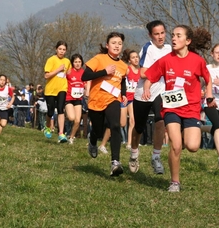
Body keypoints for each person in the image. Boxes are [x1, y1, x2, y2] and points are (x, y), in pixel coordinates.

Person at [142, 25, 214, 192]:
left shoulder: (197, 61)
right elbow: (149, 77)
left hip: (191, 109)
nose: (173, 39)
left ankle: (190, 130)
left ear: (187, 41)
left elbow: (208, 79)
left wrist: (209, 96)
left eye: (178, 36)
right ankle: (175, 182)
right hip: (171, 108)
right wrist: (147, 89)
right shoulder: (166, 60)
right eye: (173, 35)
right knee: (176, 146)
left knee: (193, 146)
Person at [81, 32, 128, 176]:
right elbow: (85, 76)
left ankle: (115, 162)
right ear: (107, 45)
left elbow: (123, 81)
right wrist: (104, 71)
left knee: (115, 125)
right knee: (99, 130)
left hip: (113, 99)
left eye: (119, 43)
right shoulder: (99, 59)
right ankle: (93, 139)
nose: (117, 46)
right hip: (96, 100)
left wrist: (124, 94)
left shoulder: (123, 66)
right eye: (114, 43)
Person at [129, 20, 172, 175]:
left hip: (162, 92)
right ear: (150, 35)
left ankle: (156, 157)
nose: (160, 37)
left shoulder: (169, 48)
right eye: (156, 34)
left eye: (162, 33)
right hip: (144, 93)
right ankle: (134, 154)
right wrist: (160, 69)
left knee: (161, 122)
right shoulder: (149, 48)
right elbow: (142, 73)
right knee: (139, 127)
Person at [43, 41, 71, 143]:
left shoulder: (67, 61)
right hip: (50, 90)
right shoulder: (51, 60)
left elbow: (68, 74)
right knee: (50, 112)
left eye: (64, 50)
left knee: (60, 109)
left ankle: (61, 133)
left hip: (62, 88)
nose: (62, 51)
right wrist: (58, 70)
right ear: (56, 49)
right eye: (60, 49)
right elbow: (46, 76)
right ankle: (47, 127)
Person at [65, 53, 90, 144]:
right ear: (72, 63)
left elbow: (87, 83)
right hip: (69, 98)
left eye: (79, 62)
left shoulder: (83, 72)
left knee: (77, 121)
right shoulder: (69, 71)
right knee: (72, 118)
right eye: (75, 62)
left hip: (78, 99)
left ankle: (71, 137)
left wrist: (86, 89)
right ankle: (66, 120)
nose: (78, 64)